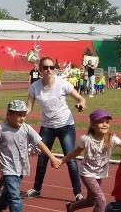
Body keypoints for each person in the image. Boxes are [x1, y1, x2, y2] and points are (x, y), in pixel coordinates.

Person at [24, 56, 86, 201]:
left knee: (70, 159)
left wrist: (81, 104)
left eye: (51, 67)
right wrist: (19, 115)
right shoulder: (35, 87)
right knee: (42, 158)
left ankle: (78, 193)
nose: (49, 70)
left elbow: (81, 98)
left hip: (66, 126)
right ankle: (37, 189)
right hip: (47, 127)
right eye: (45, 67)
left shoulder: (63, 84)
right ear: (39, 70)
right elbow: (28, 107)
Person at [62, 109, 121, 212]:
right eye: (101, 122)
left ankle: (71, 206)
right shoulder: (86, 139)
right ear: (93, 125)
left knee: (91, 201)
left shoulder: (112, 139)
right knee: (101, 200)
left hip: (100, 173)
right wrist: (61, 160)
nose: (105, 124)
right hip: (87, 173)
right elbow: (75, 153)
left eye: (107, 122)